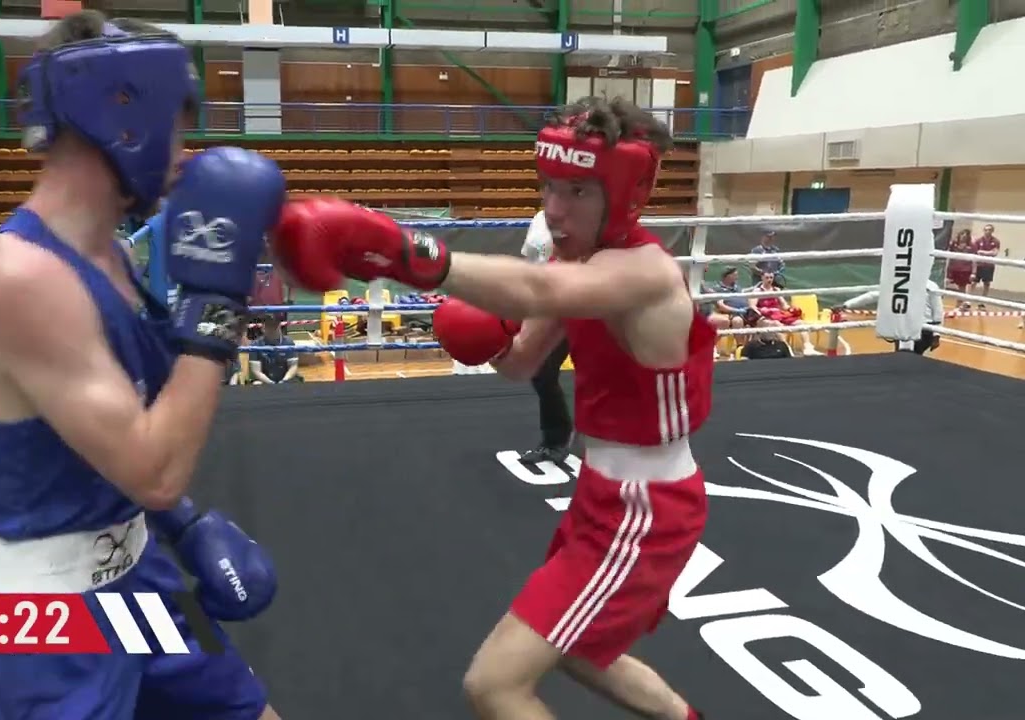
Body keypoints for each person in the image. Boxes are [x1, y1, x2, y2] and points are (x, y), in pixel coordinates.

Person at [272, 96, 709, 720]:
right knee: (577, 646)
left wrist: (403, 251)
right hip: (604, 490)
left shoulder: (644, 273)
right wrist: (488, 333)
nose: (555, 210)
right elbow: (522, 361)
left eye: (579, 192)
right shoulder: (574, 259)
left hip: (647, 503)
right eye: (550, 187)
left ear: (625, 193)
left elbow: (538, 289)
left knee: (494, 685)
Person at [0, 11, 286, 720]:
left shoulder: (115, 254)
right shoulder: (20, 278)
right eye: (180, 123)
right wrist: (217, 301)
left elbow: (133, 423)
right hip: (40, 628)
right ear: (124, 113)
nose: (185, 150)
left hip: (142, 570)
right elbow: (155, 471)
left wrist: (186, 526)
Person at [520, 210, 572, 465]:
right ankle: (556, 439)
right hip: (548, 310)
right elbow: (531, 263)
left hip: (585, 303)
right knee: (542, 372)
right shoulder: (540, 218)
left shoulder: (590, 217)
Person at [837, 279, 943, 355]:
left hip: (923, 329)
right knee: (904, 359)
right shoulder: (897, 282)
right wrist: (846, 305)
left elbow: (938, 312)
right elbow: (873, 295)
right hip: (903, 327)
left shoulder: (930, 286)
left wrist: (936, 335)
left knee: (909, 360)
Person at [750, 271, 819, 355]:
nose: (769, 280)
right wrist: (763, 311)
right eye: (767, 278)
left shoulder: (776, 290)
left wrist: (791, 309)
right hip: (764, 317)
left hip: (778, 314)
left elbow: (784, 305)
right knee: (777, 325)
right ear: (762, 278)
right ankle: (787, 349)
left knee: (800, 323)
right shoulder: (757, 291)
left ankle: (807, 347)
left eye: (771, 278)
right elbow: (753, 306)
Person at [250, 315, 302, 384]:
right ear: (263, 328)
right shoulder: (255, 344)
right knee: (256, 384)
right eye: (269, 326)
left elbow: (293, 366)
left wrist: (284, 381)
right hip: (264, 381)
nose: (272, 329)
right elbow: (256, 371)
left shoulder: (289, 342)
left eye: (275, 326)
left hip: (286, 379)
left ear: (279, 327)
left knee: (296, 383)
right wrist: (271, 383)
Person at [971, 223, 1000, 306]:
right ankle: (967, 301)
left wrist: (983, 252)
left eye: (989, 230)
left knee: (986, 284)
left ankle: (982, 302)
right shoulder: (978, 240)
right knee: (973, 283)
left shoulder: (995, 241)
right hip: (979, 265)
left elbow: (994, 253)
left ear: (992, 231)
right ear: (983, 230)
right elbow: (976, 253)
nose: (987, 231)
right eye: (986, 230)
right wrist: (988, 253)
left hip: (989, 266)